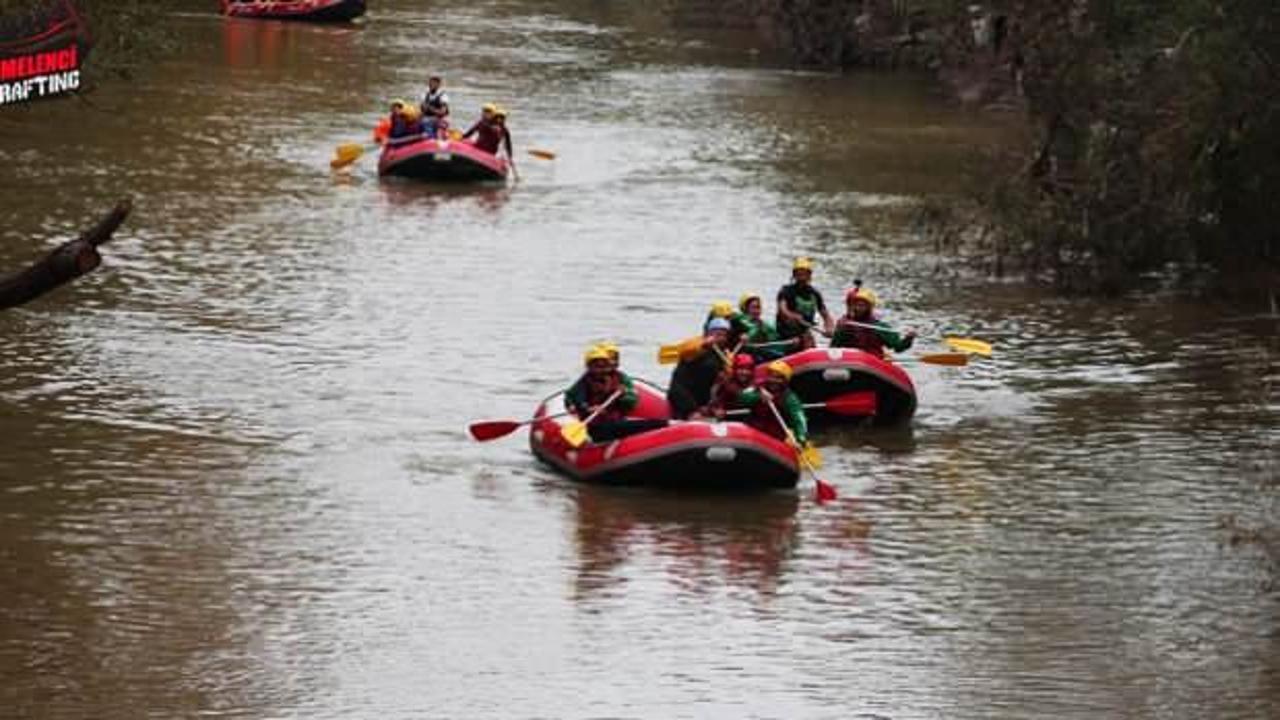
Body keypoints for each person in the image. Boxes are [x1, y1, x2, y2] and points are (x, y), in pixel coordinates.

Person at [666, 317, 734, 420]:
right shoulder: (696, 345)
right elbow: (686, 351)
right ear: (708, 333)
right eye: (717, 334)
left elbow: (720, 383)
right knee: (695, 416)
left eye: (724, 335)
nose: (720, 338)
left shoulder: (723, 355)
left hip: (702, 398)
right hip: (682, 393)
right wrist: (703, 345)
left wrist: (715, 406)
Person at [737, 360, 809, 446]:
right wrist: (758, 397)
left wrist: (801, 438)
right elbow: (742, 397)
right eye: (771, 376)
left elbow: (799, 419)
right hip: (753, 431)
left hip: (774, 436)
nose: (773, 380)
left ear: (785, 380)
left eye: (778, 378)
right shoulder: (758, 387)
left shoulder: (789, 398)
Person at [830, 287, 916, 358]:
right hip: (849, 360)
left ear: (869, 308)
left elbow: (898, 348)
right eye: (856, 305)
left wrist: (908, 339)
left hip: (871, 361)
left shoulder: (879, 327)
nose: (858, 308)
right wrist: (840, 330)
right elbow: (834, 347)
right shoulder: (845, 324)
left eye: (862, 306)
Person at [564, 344, 638, 422]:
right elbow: (575, 399)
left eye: (606, 366)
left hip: (614, 419)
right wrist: (588, 408)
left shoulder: (619, 378)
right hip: (594, 423)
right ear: (589, 367)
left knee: (648, 424)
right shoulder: (584, 382)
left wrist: (624, 394)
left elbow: (629, 404)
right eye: (599, 366)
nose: (604, 370)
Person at [776, 257, 834, 350]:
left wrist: (829, 328)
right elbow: (783, 309)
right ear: (794, 275)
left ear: (809, 275)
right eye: (799, 273)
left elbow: (826, 315)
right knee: (803, 339)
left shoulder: (814, 293)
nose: (802, 277)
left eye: (805, 273)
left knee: (807, 338)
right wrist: (792, 316)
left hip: (804, 331)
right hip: (786, 332)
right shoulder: (786, 291)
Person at [734, 293, 786, 362]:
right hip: (745, 356)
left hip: (762, 354)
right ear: (745, 309)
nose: (756, 311)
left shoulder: (765, 325)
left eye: (758, 307)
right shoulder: (739, 320)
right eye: (753, 308)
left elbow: (775, 340)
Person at [705, 353, 757, 419]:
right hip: (728, 419)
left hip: (748, 419)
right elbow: (713, 402)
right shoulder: (725, 382)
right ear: (735, 369)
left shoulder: (756, 383)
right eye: (741, 369)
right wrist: (716, 410)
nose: (744, 372)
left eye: (748, 369)